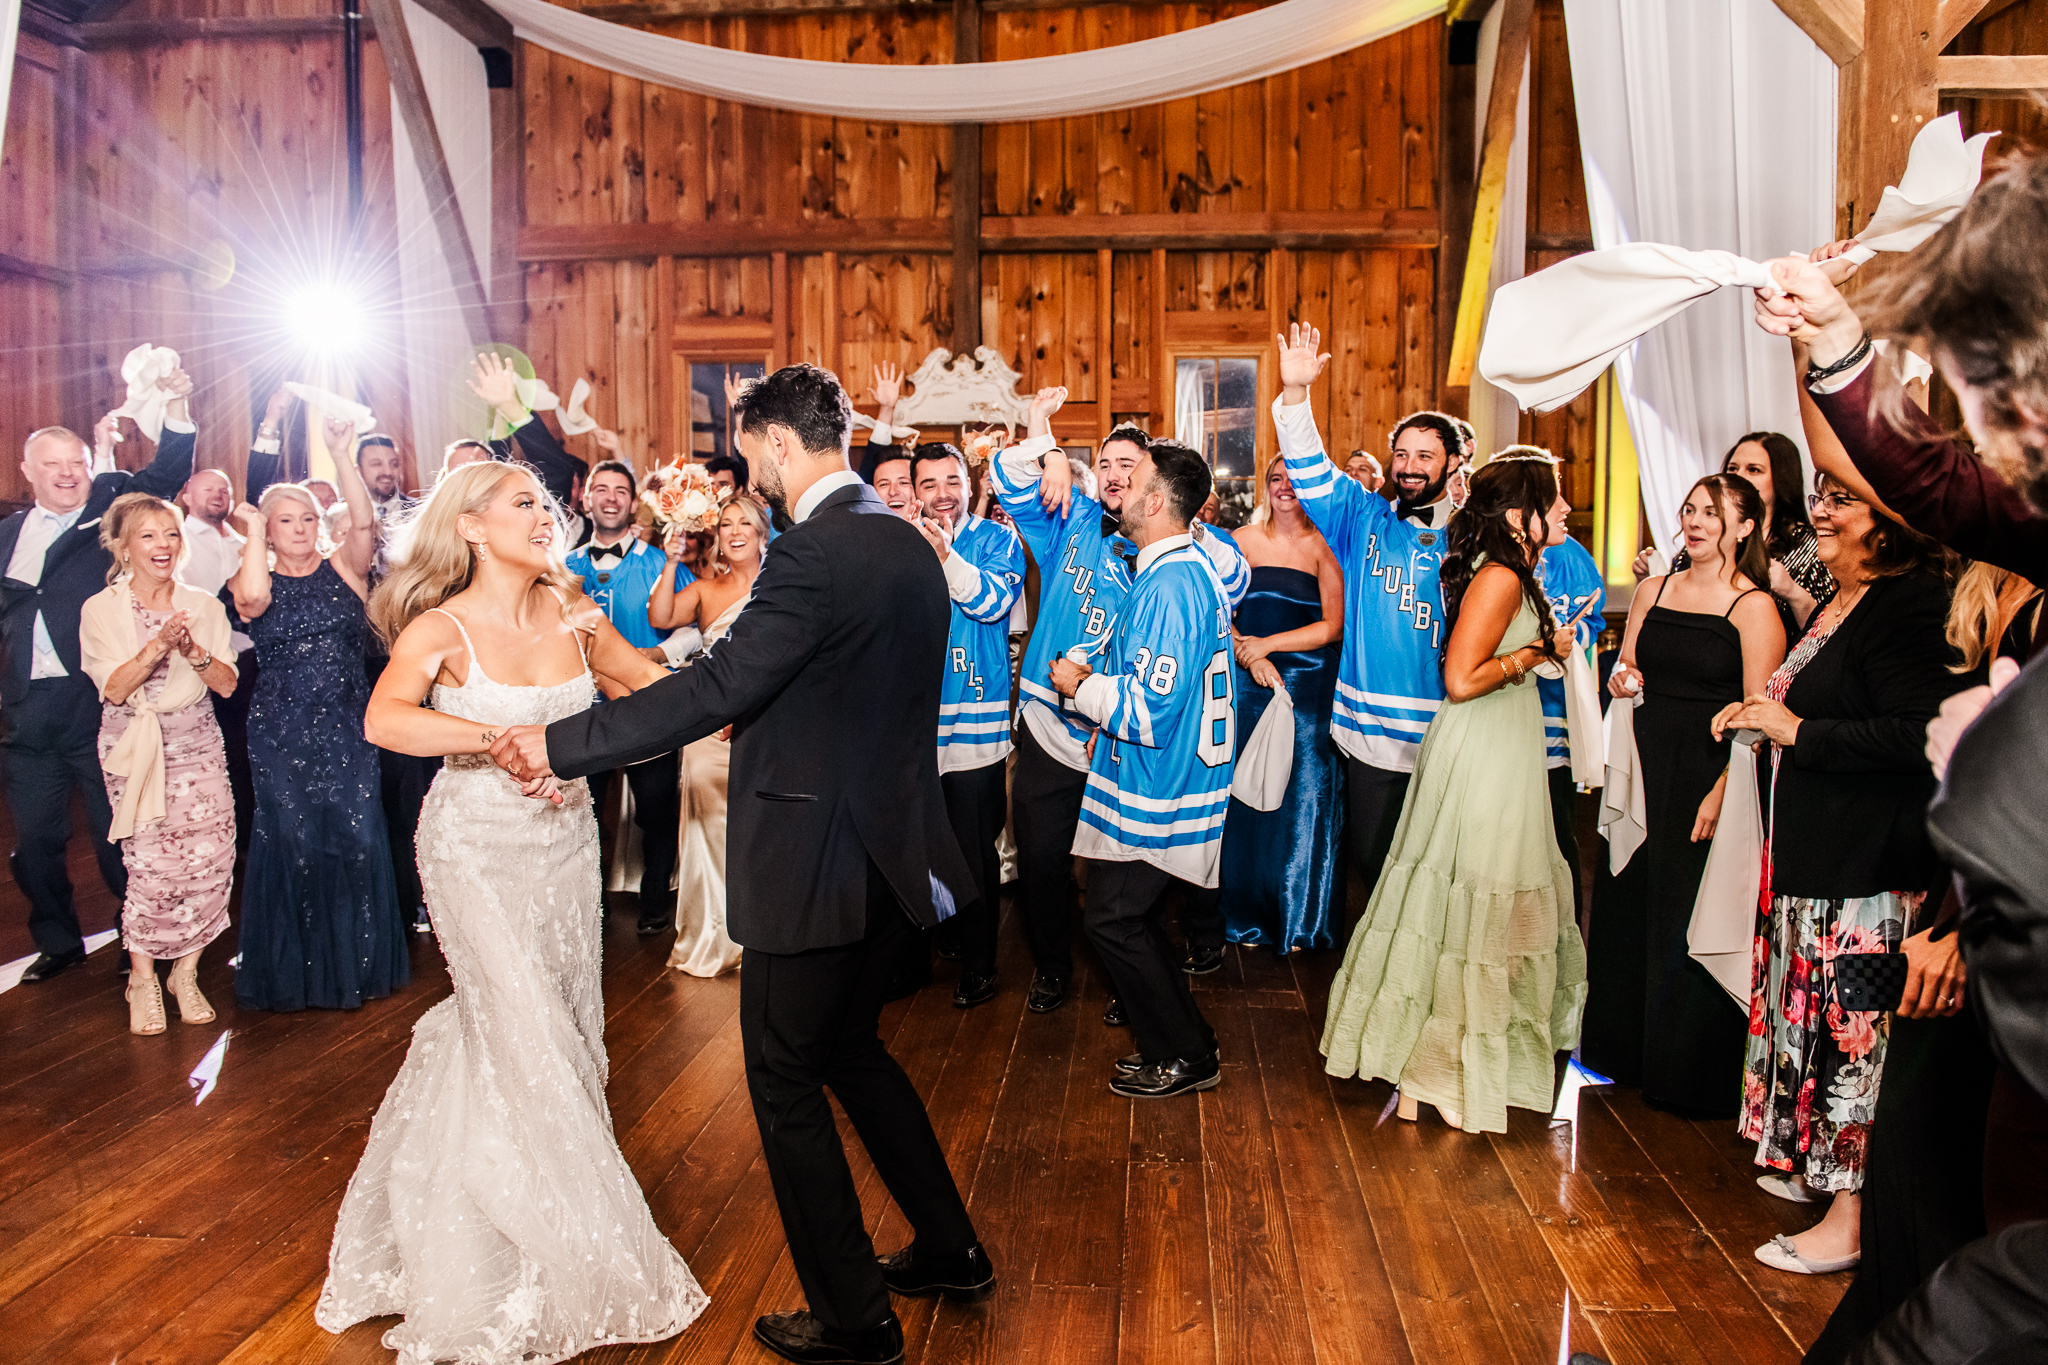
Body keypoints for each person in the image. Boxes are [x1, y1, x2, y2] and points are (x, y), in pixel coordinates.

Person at [488, 363, 988, 1365]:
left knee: (785, 1082)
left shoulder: (812, 554)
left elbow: (719, 685)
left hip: (813, 858)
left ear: (770, 441)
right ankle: (949, 1250)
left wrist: (559, 746)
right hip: (891, 847)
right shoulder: (901, 541)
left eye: (746, 446)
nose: (741, 464)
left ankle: (855, 1321)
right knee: (853, 1053)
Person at [317, 460, 706, 1363]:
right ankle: (555, 1248)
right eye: (522, 503)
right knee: (522, 1031)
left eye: (545, 502)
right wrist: (494, 739)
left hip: (564, 851)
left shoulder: (575, 613)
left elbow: (648, 686)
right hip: (474, 850)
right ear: (474, 528)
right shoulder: (439, 625)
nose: (544, 514)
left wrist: (720, 700)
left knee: (549, 1029)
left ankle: (480, 1224)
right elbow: (387, 721)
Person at [1711, 474, 1958, 1276]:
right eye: (1817, 494)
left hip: (1870, 875)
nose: (1818, 509)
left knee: (1857, 1044)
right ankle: (1824, 1179)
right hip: (1814, 864)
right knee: (1814, 1033)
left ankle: (1856, 1219)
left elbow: (1920, 733)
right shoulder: (1836, 604)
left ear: (1892, 521)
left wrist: (1796, 729)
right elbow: (1821, 707)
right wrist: (1760, 716)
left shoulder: (1909, 604)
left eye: (1840, 498)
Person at [1317, 440, 1587, 1135]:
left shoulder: (1514, 566)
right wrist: (1537, 653)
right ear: (1522, 510)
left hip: (1505, 743)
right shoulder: (1499, 574)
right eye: (1552, 496)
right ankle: (1430, 1072)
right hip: (1482, 746)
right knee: (1472, 906)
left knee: (1481, 911)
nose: (1564, 507)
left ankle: (1429, 1075)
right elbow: (1462, 679)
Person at [995, 406, 1250, 1016]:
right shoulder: (1072, 519)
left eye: (1128, 467)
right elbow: (1006, 475)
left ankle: (1131, 983)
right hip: (1057, 725)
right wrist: (1046, 448)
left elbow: (1233, 580)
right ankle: (1054, 968)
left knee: (1130, 871)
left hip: (1124, 736)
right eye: (1104, 464)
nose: (1113, 475)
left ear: (1152, 488)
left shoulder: (1173, 553)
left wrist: (1189, 528)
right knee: (1044, 858)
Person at [1579, 475, 1786, 1116]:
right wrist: (1622, 678)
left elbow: (1759, 714)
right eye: (1689, 510)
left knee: (1686, 915)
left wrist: (1724, 789)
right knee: (1632, 901)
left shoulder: (1754, 608)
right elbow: (1629, 664)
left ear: (1746, 526)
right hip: (1644, 765)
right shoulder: (1654, 588)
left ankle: (1687, 1075)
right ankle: (1621, 1057)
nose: (1695, 522)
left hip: (1705, 773)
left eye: (1712, 513)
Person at [1048, 440, 1235, 1098]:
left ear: (1156, 501)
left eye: (1136, 476)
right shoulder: (1174, 571)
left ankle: (1186, 1053)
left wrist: (1077, 685)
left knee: (1113, 920)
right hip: (1167, 778)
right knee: (1128, 919)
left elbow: (1152, 710)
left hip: (1163, 787)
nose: (1120, 483)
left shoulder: (1171, 582)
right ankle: (1183, 1043)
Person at [2, 377, 195, 983]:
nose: (66, 475)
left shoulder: (107, 509)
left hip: (96, 700)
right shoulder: (5, 535)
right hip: (23, 710)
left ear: (91, 466)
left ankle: (137, 939)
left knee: (122, 835)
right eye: (52, 465)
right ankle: (58, 941)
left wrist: (176, 408)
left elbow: (166, 472)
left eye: (76, 463)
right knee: (34, 842)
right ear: (27, 470)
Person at [1278, 322, 1473, 908]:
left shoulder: (1475, 537)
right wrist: (1295, 395)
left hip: (1448, 735)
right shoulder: (1360, 516)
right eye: (1402, 453)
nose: (1409, 466)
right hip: (1369, 737)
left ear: (1454, 462)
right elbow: (1310, 468)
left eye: (1425, 456)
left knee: (1436, 877)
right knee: (1374, 864)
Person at [228, 418, 409, 1012]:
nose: (302, 528)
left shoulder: (344, 570)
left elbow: (363, 522)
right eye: (287, 520)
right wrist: (255, 531)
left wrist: (340, 454)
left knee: (358, 836)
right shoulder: (252, 576)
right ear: (269, 530)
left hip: (347, 723)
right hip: (279, 730)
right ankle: (297, 971)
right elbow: (253, 599)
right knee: (296, 841)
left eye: (308, 518)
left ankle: (357, 963)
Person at [79, 493, 238, 1034]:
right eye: (148, 535)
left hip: (197, 744)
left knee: (210, 860)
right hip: (135, 747)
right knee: (151, 869)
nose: (163, 545)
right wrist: (156, 645)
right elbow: (116, 688)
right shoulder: (100, 609)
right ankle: (143, 979)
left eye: (170, 533)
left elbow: (227, 683)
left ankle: (186, 972)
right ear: (123, 547)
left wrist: (192, 648)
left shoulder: (205, 605)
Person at [912, 441, 1024, 1007]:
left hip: (975, 723)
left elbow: (991, 602)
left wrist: (945, 556)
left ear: (970, 482)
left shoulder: (996, 540)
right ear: (914, 491)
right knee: (919, 844)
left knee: (972, 848)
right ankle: (935, 942)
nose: (941, 495)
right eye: (928, 484)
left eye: (951, 481)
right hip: (912, 723)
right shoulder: (898, 539)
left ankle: (981, 964)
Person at [1217, 456, 1345, 951]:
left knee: (1301, 795)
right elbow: (1217, 610)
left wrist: (1266, 646)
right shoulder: (1240, 543)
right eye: (1276, 480)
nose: (1285, 488)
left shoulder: (1324, 547)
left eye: (1294, 480)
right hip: (1246, 684)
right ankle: (1240, 912)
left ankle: (1298, 918)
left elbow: (1332, 625)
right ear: (1265, 489)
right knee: (1243, 797)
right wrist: (1245, 651)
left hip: (1306, 685)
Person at [565, 458, 687, 937]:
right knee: (581, 811)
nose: (611, 497)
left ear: (632, 502)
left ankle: (656, 903)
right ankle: (592, 906)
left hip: (646, 706)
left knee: (655, 807)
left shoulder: (660, 561)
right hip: (581, 713)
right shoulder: (562, 567)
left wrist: (653, 652)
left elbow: (692, 630)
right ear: (586, 499)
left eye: (621, 490)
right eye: (602, 488)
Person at [655, 496, 767, 980]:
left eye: (745, 522)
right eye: (726, 524)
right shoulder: (703, 589)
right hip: (708, 725)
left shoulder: (783, 585)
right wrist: (671, 560)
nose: (735, 530)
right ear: (717, 536)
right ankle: (711, 938)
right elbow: (661, 617)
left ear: (764, 532)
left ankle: (761, 937)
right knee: (707, 828)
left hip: (764, 721)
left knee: (761, 829)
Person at [1645, 432, 1832, 632]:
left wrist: (1792, 592)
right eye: (1732, 468)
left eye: (1754, 470)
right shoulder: (1708, 536)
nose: (1739, 476)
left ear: (1781, 479)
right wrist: (1651, 577)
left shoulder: (1811, 546)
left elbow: (1828, 634)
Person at [1529, 482, 1605, 909]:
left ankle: (1565, 925)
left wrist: (1574, 634)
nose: (1567, 506)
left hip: (1552, 716)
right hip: (1497, 714)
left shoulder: (1574, 556)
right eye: (1552, 495)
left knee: (1557, 832)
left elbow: (1592, 619)